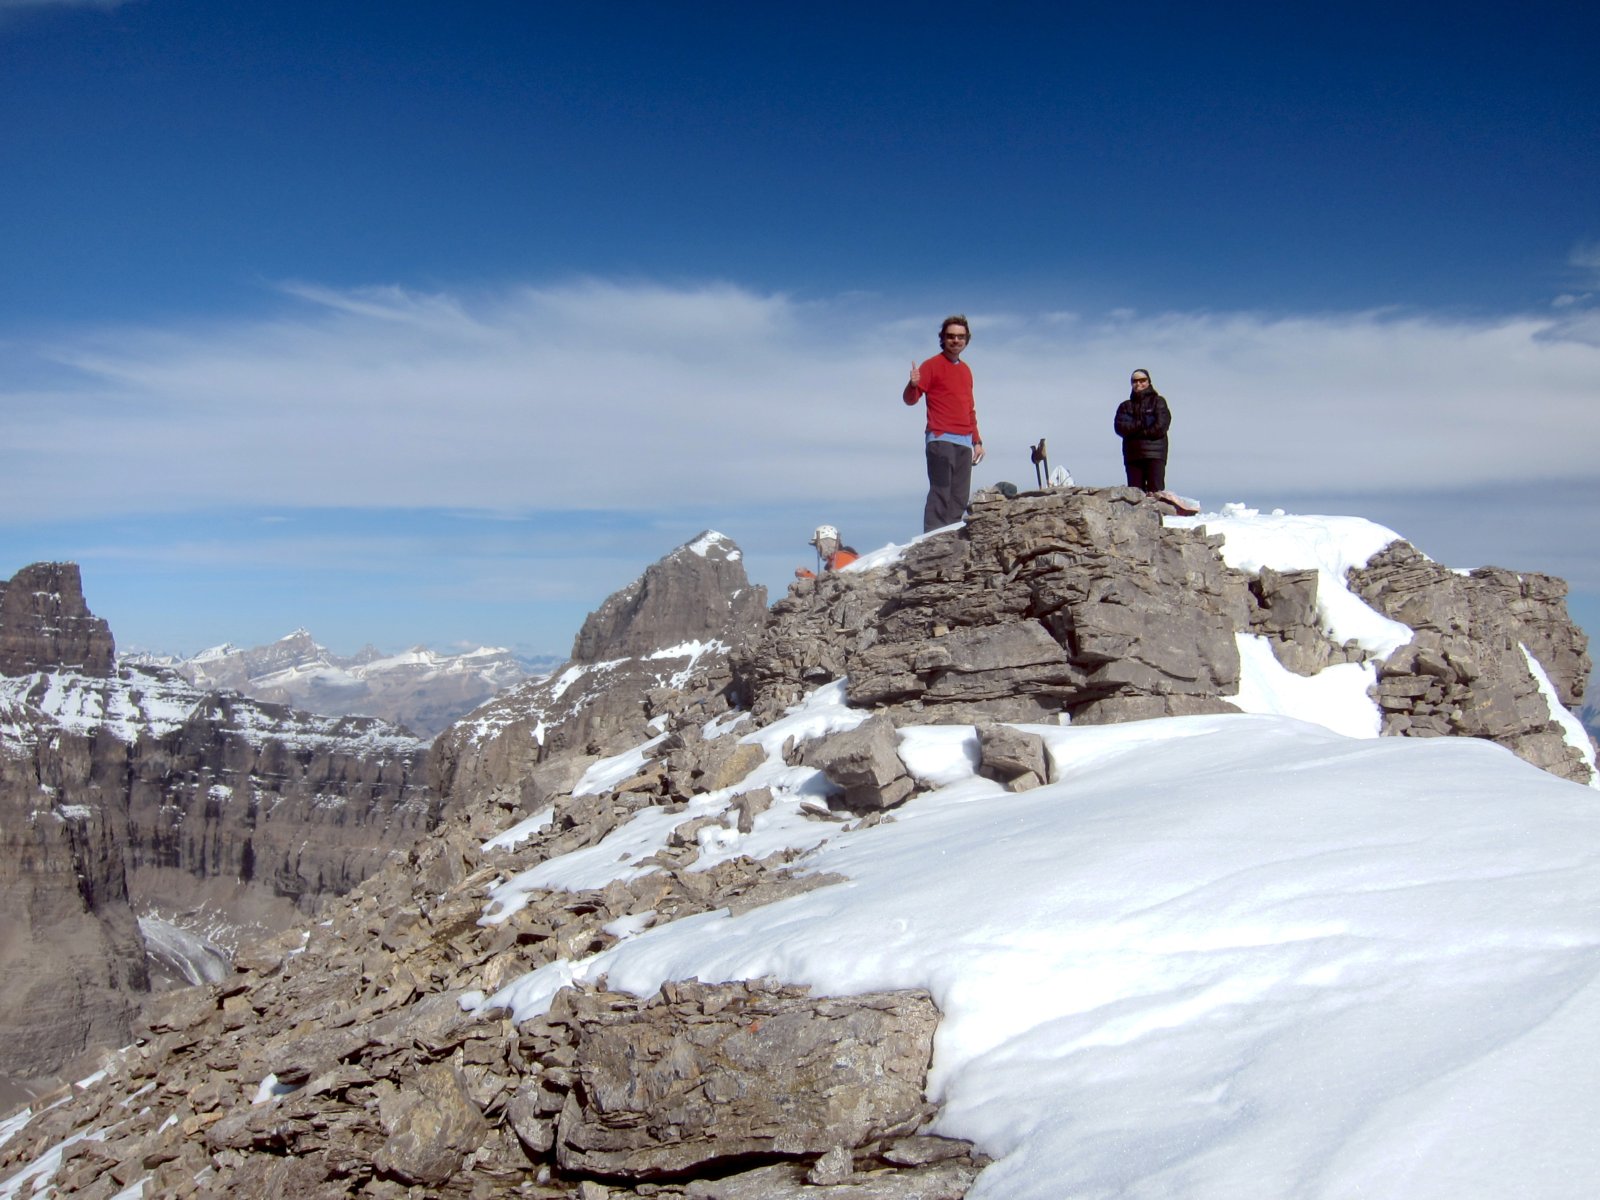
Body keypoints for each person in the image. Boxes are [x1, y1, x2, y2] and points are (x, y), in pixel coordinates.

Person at [903, 314, 985, 532]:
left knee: (959, 497)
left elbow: (969, 409)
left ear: (966, 339)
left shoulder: (966, 370)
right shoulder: (932, 365)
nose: (955, 340)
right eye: (951, 336)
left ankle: (951, 539)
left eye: (960, 337)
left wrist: (977, 441)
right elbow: (910, 399)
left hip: (964, 442)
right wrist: (912, 384)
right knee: (941, 492)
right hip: (940, 438)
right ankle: (932, 540)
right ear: (943, 338)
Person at [1114, 368, 1171, 493]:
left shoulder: (1158, 401)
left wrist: (1135, 432)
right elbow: (1120, 428)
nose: (1138, 384)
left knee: (1155, 494)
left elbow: (1160, 427)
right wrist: (1143, 423)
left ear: (1149, 382)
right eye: (1135, 381)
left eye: (1142, 380)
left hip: (1155, 454)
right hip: (1133, 456)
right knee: (1135, 496)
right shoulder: (1125, 406)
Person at [794, 525, 860, 579]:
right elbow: (825, 585)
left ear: (826, 543)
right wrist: (805, 574)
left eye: (818, 545)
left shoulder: (841, 557)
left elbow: (833, 582)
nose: (817, 549)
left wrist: (806, 574)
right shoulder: (836, 559)